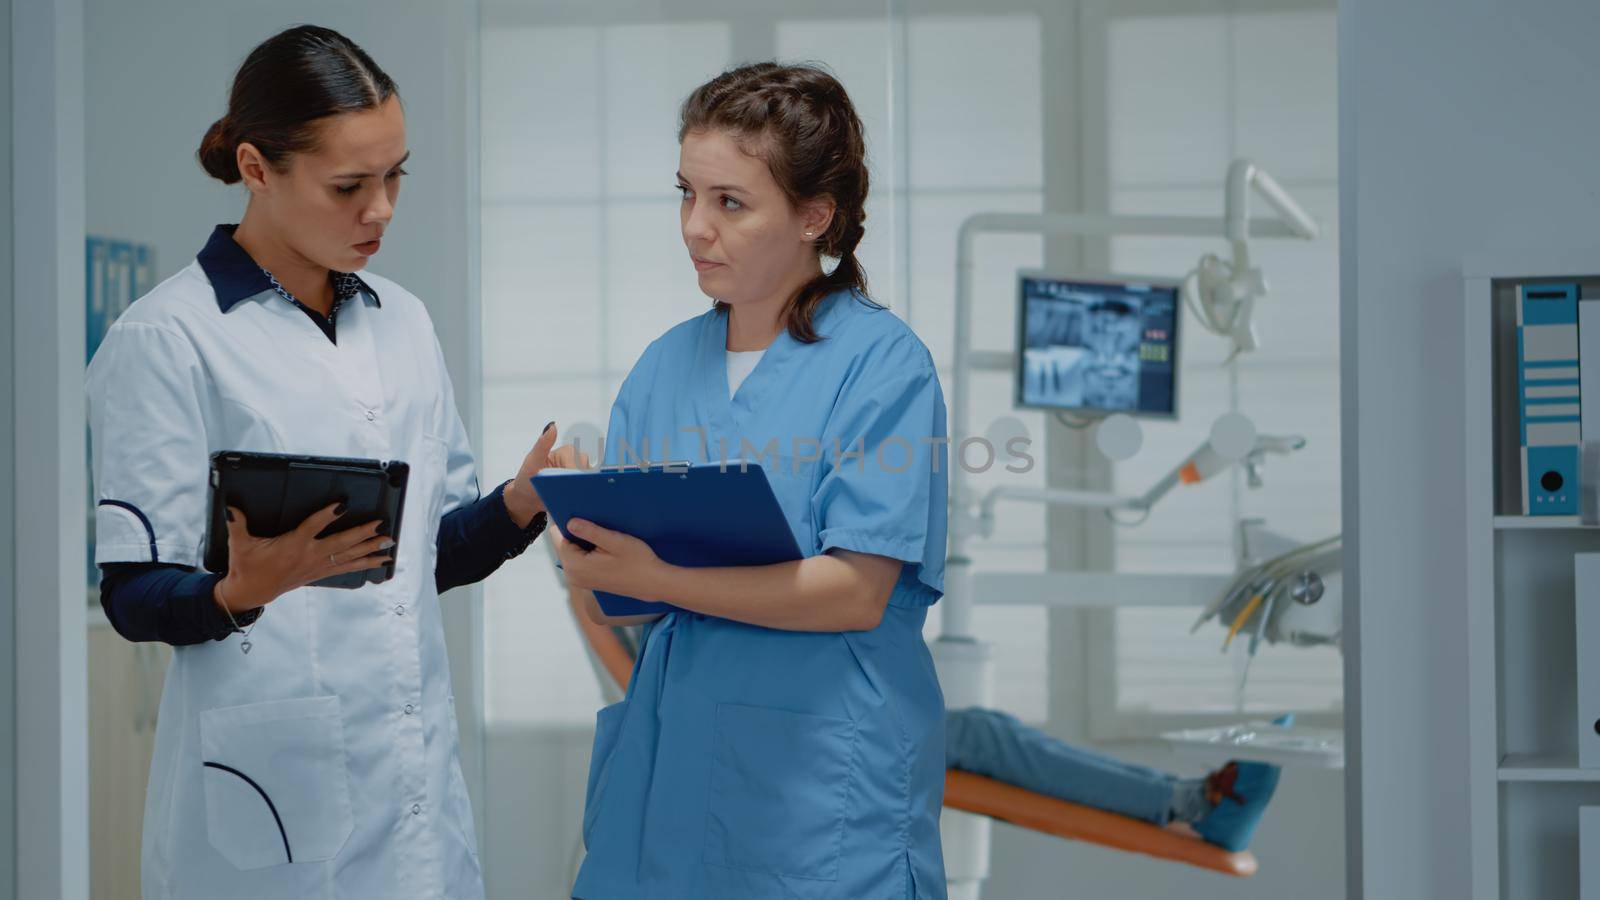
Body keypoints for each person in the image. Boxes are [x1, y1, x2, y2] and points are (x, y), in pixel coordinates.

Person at [87, 25, 566, 899]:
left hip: (414, 800)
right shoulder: (167, 337)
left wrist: (519, 503)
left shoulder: (404, 322)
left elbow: (425, 557)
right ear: (257, 168)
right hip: (267, 803)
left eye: (395, 176)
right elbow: (131, 595)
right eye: (350, 185)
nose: (381, 209)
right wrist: (239, 590)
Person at [552, 62, 948, 899]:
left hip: (816, 783)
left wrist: (657, 574)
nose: (696, 228)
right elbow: (631, 604)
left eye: (730, 202)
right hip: (676, 762)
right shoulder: (663, 368)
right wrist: (588, 552)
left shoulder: (881, 366)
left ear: (814, 216)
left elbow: (854, 592)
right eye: (686, 194)